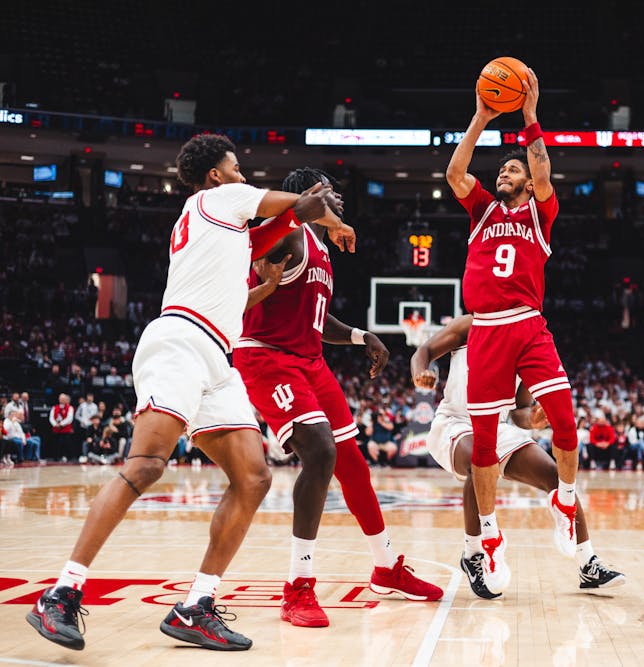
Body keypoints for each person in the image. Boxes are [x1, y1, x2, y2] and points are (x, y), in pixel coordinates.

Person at [26, 133, 341, 652]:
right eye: (236, 167)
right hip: (179, 340)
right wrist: (320, 201)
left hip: (217, 357)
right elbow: (300, 205)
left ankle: (196, 605)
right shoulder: (219, 198)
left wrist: (283, 247)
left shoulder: (222, 229)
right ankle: (61, 593)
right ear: (215, 173)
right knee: (147, 464)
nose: (243, 175)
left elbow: (258, 260)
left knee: (254, 477)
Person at [233, 166, 442, 628]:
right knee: (321, 452)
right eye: (331, 193)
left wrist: (360, 335)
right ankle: (298, 586)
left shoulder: (320, 249)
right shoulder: (286, 237)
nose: (340, 201)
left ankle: (386, 568)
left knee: (353, 464)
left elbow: (317, 319)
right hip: (268, 357)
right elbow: (250, 263)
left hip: (309, 361)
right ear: (308, 196)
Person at [446, 68, 579, 593]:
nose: (504, 171)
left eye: (512, 168)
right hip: (485, 331)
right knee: (484, 446)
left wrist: (528, 116)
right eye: (501, 168)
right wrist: (481, 116)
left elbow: (543, 168)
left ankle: (564, 500)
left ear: (527, 182)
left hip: (527, 326)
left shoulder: (541, 213)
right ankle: (489, 536)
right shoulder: (480, 209)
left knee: (564, 421)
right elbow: (455, 172)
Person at [411, 314, 624, 598]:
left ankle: (588, 562)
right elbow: (422, 351)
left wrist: (533, 420)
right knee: (480, 457)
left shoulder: (525, 341)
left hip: (497, 427)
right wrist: (420, 372)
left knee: (555, 476)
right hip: (455, 422)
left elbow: (519, 411)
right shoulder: (469, 326)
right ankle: (474, 553)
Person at [48, 392, 75, 461]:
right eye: (61, 399)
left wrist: (61, 424)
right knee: (55, 444)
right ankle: (55, 457)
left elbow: (69, 418)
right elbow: (51, 418)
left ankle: (67, 457)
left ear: (66, 399)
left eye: (63, 399)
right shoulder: (55, 407)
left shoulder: (70, 408)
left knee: (66, 443)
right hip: (56, 429)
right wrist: (55, 424)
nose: (62, 400)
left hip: (65, 429)